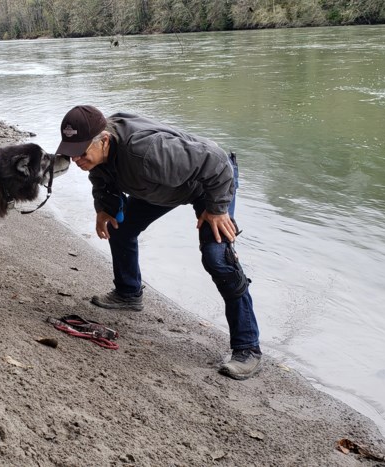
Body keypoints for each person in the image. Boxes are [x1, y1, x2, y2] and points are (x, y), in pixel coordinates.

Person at [55, 105, 262, 380]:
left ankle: (248, 348)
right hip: (161, 187)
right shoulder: (101, 152)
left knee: (217, 259)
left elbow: (216, 161)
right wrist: (104, 206)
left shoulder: (147, 151)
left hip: (210, 186)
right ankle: (128, 294)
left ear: (104, 139)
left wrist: (218, 208)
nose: (77, 160)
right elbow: (102, 177)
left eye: (82, 152)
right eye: (72, 153)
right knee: (120, 227)